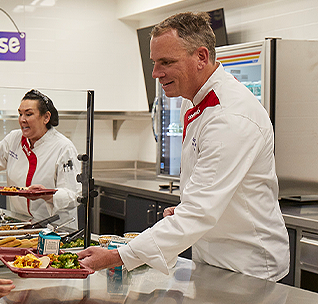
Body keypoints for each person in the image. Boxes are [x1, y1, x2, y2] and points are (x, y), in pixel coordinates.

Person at [78, 12, 289, 281]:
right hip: (213, 258)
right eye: (154, 62)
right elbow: (209, 193)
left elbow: (199, 212)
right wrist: (187, 206)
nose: (155, 73)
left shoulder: (229, 118)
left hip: (249, 267)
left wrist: (119, 256)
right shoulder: (192, 100)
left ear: (201, 57)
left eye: (166, 62)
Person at [0, 89, 82, 229]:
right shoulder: (14, 139)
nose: (22, 119)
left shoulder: (63, 147)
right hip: (19, 224)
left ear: (46, 117)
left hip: (55, 229)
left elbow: (74, 195)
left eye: (29, 114)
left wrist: (46, 195)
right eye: (20, 114)